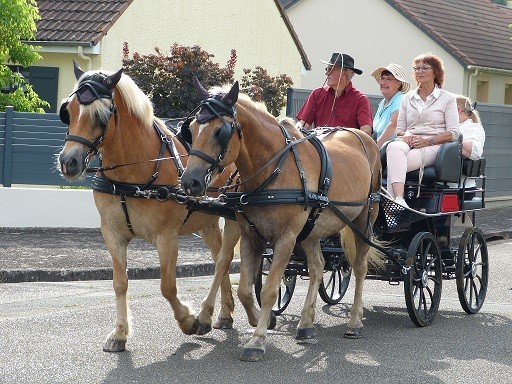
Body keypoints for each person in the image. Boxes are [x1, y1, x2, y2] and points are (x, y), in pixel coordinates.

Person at [386, 53, 459, 208]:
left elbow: (454, 133)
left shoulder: (448, 99)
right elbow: (399, 129)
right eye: (417, 68)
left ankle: (391, 207)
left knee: (396, 164)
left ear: (436, 72)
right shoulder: (407, 98)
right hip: (409, 140)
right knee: (393, 147)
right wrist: (406, 135)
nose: (419, 71)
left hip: (433, 144)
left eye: (425, 68)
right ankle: (399, 199)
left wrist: (428, 141)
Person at [296, 52, 373, 135]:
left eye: (330, 69)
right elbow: (303, 124)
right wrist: (295, 129)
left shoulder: (360, 99)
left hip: (346, 146)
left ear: (344, 72)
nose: (326, 73)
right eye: (327, 69)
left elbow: (366, 130)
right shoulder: (317, 94)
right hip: (320, 146)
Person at [370, 63, 411, 149]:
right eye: (382, 78)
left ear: (399, 84)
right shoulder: (382, 103)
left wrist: (375, 149)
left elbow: (393, 125)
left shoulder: (400, 99)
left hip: (393, 149)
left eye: (389, 79)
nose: (383, 82)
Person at [453, 94, 485, 189]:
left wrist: (448, 138)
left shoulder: (473, 127)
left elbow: (474, 151)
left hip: (460, 187)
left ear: (458, 110)